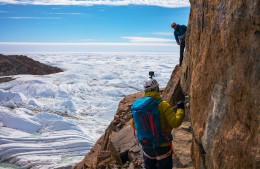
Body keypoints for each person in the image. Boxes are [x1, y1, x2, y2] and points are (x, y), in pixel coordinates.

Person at [130, 77, 185, 169]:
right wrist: (181, 109)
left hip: (147, 147)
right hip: (163, 146)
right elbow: (175, 123)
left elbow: (134, 125)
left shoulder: (139, 106)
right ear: (157, 89)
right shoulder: (163, 105)